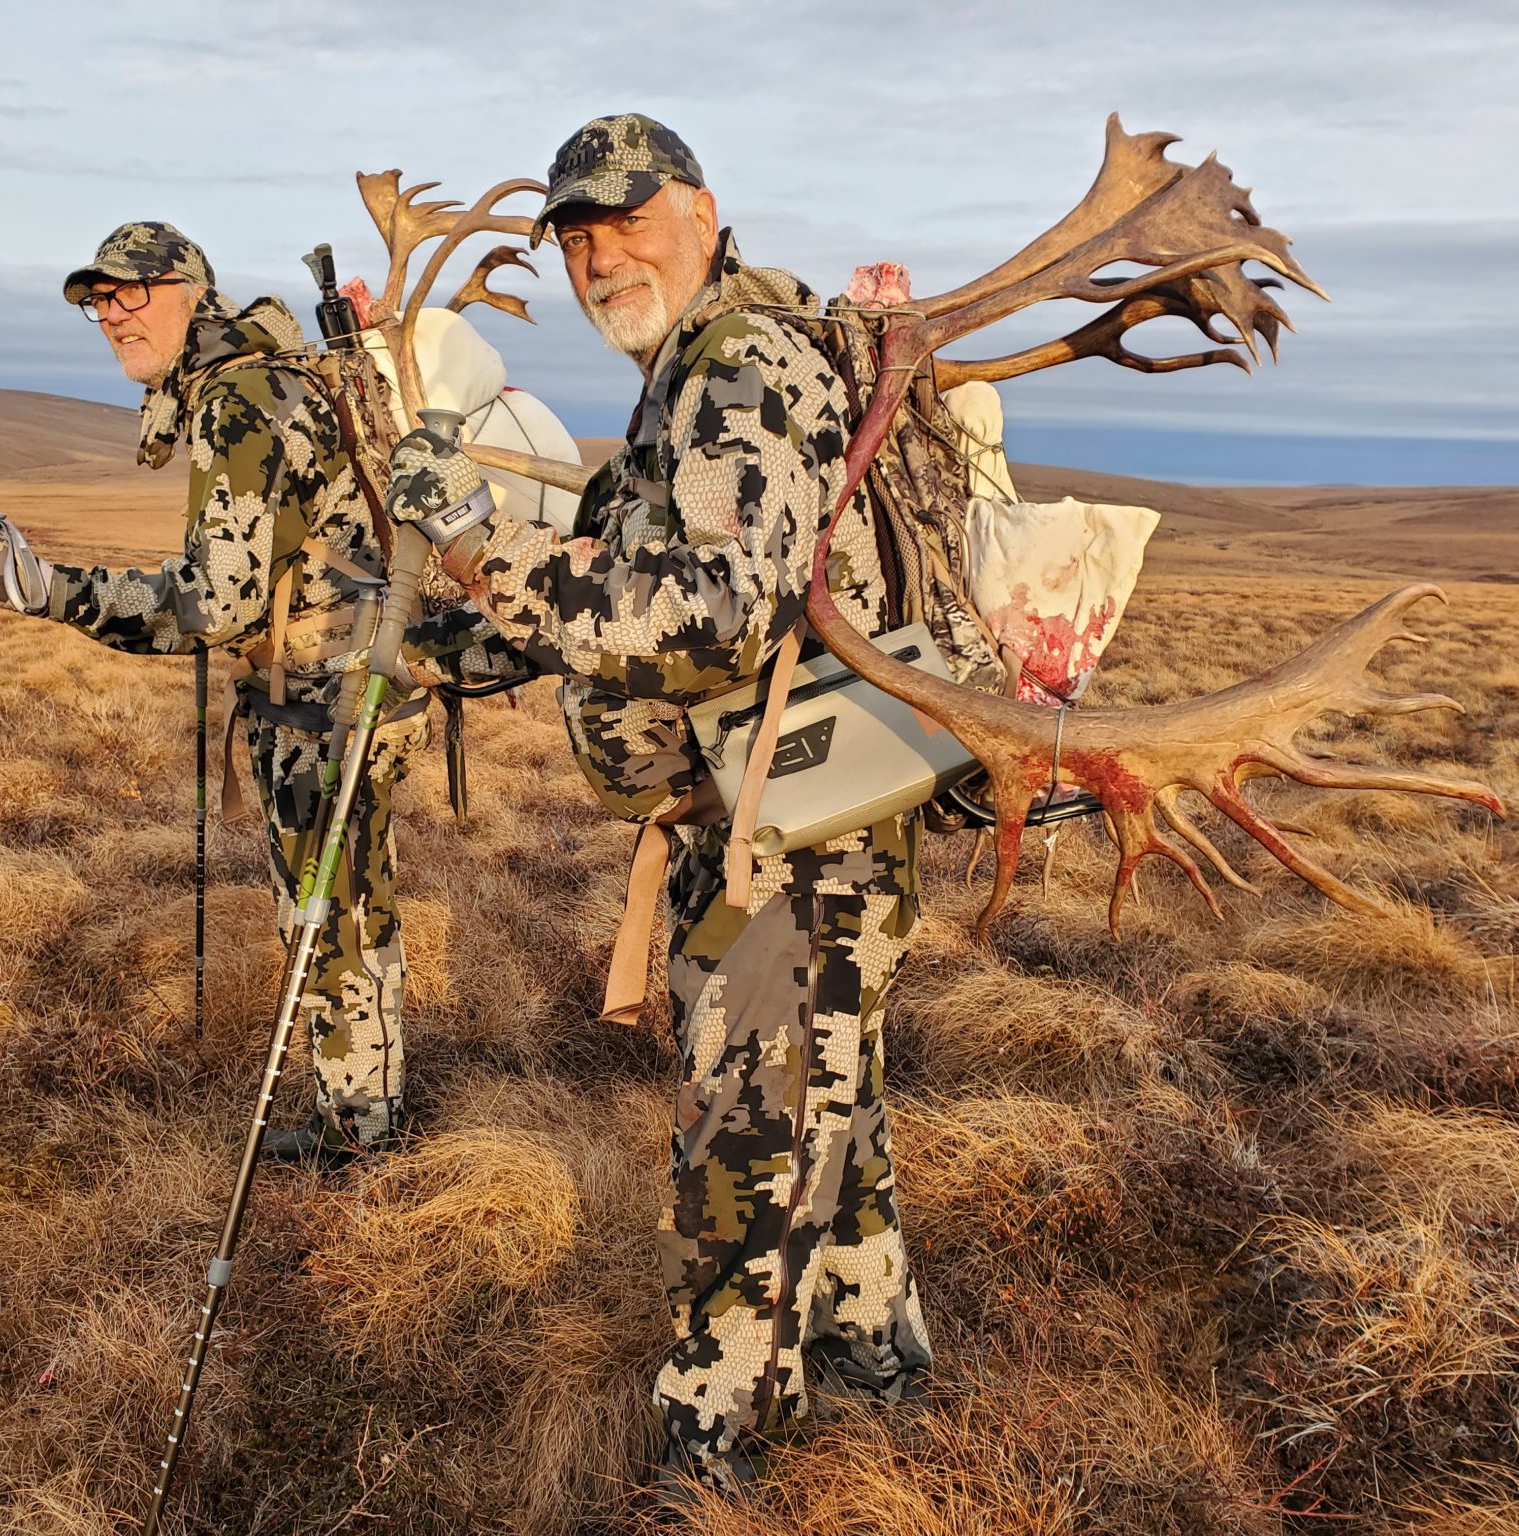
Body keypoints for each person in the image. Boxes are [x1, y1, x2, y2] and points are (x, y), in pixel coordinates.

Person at [390, 115, 932, 1493]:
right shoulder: (688, 374)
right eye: (576, 236)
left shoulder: (734, 371)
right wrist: (427, 645)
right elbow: (613, 579)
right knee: (829, 1121)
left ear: (700, 209)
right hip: (787, 833)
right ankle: (879, 1384)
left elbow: (710, 616)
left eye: (626, 221)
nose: (598, 257)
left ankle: (716, 1466)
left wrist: (476, 541)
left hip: (792, 860)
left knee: (746, 1161)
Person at [0, 221, 426, 1167]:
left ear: (192, 292)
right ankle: (363, 1116)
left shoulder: (240, 400)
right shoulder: (255, 377)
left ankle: (361, 1139)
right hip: (343, 685)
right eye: (100, 300)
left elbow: (215, 602)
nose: (113, 315)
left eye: (134, 292)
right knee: (344, 903)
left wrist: (45, 589)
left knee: (332, 913)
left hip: (328, 701)